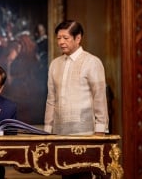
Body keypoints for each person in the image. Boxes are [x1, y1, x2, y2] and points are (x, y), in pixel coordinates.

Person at [44, 20, 109, 178]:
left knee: (84, 175)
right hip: (60, 135)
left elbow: (99, 97)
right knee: (66, 174)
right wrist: (46, 131)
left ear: (78, 38)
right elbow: (51, 99)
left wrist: (100, 131)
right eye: (58, 38)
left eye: (65, 38)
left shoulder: (92, 62)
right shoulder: (55, 64)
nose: (61, 42)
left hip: (86, 133)